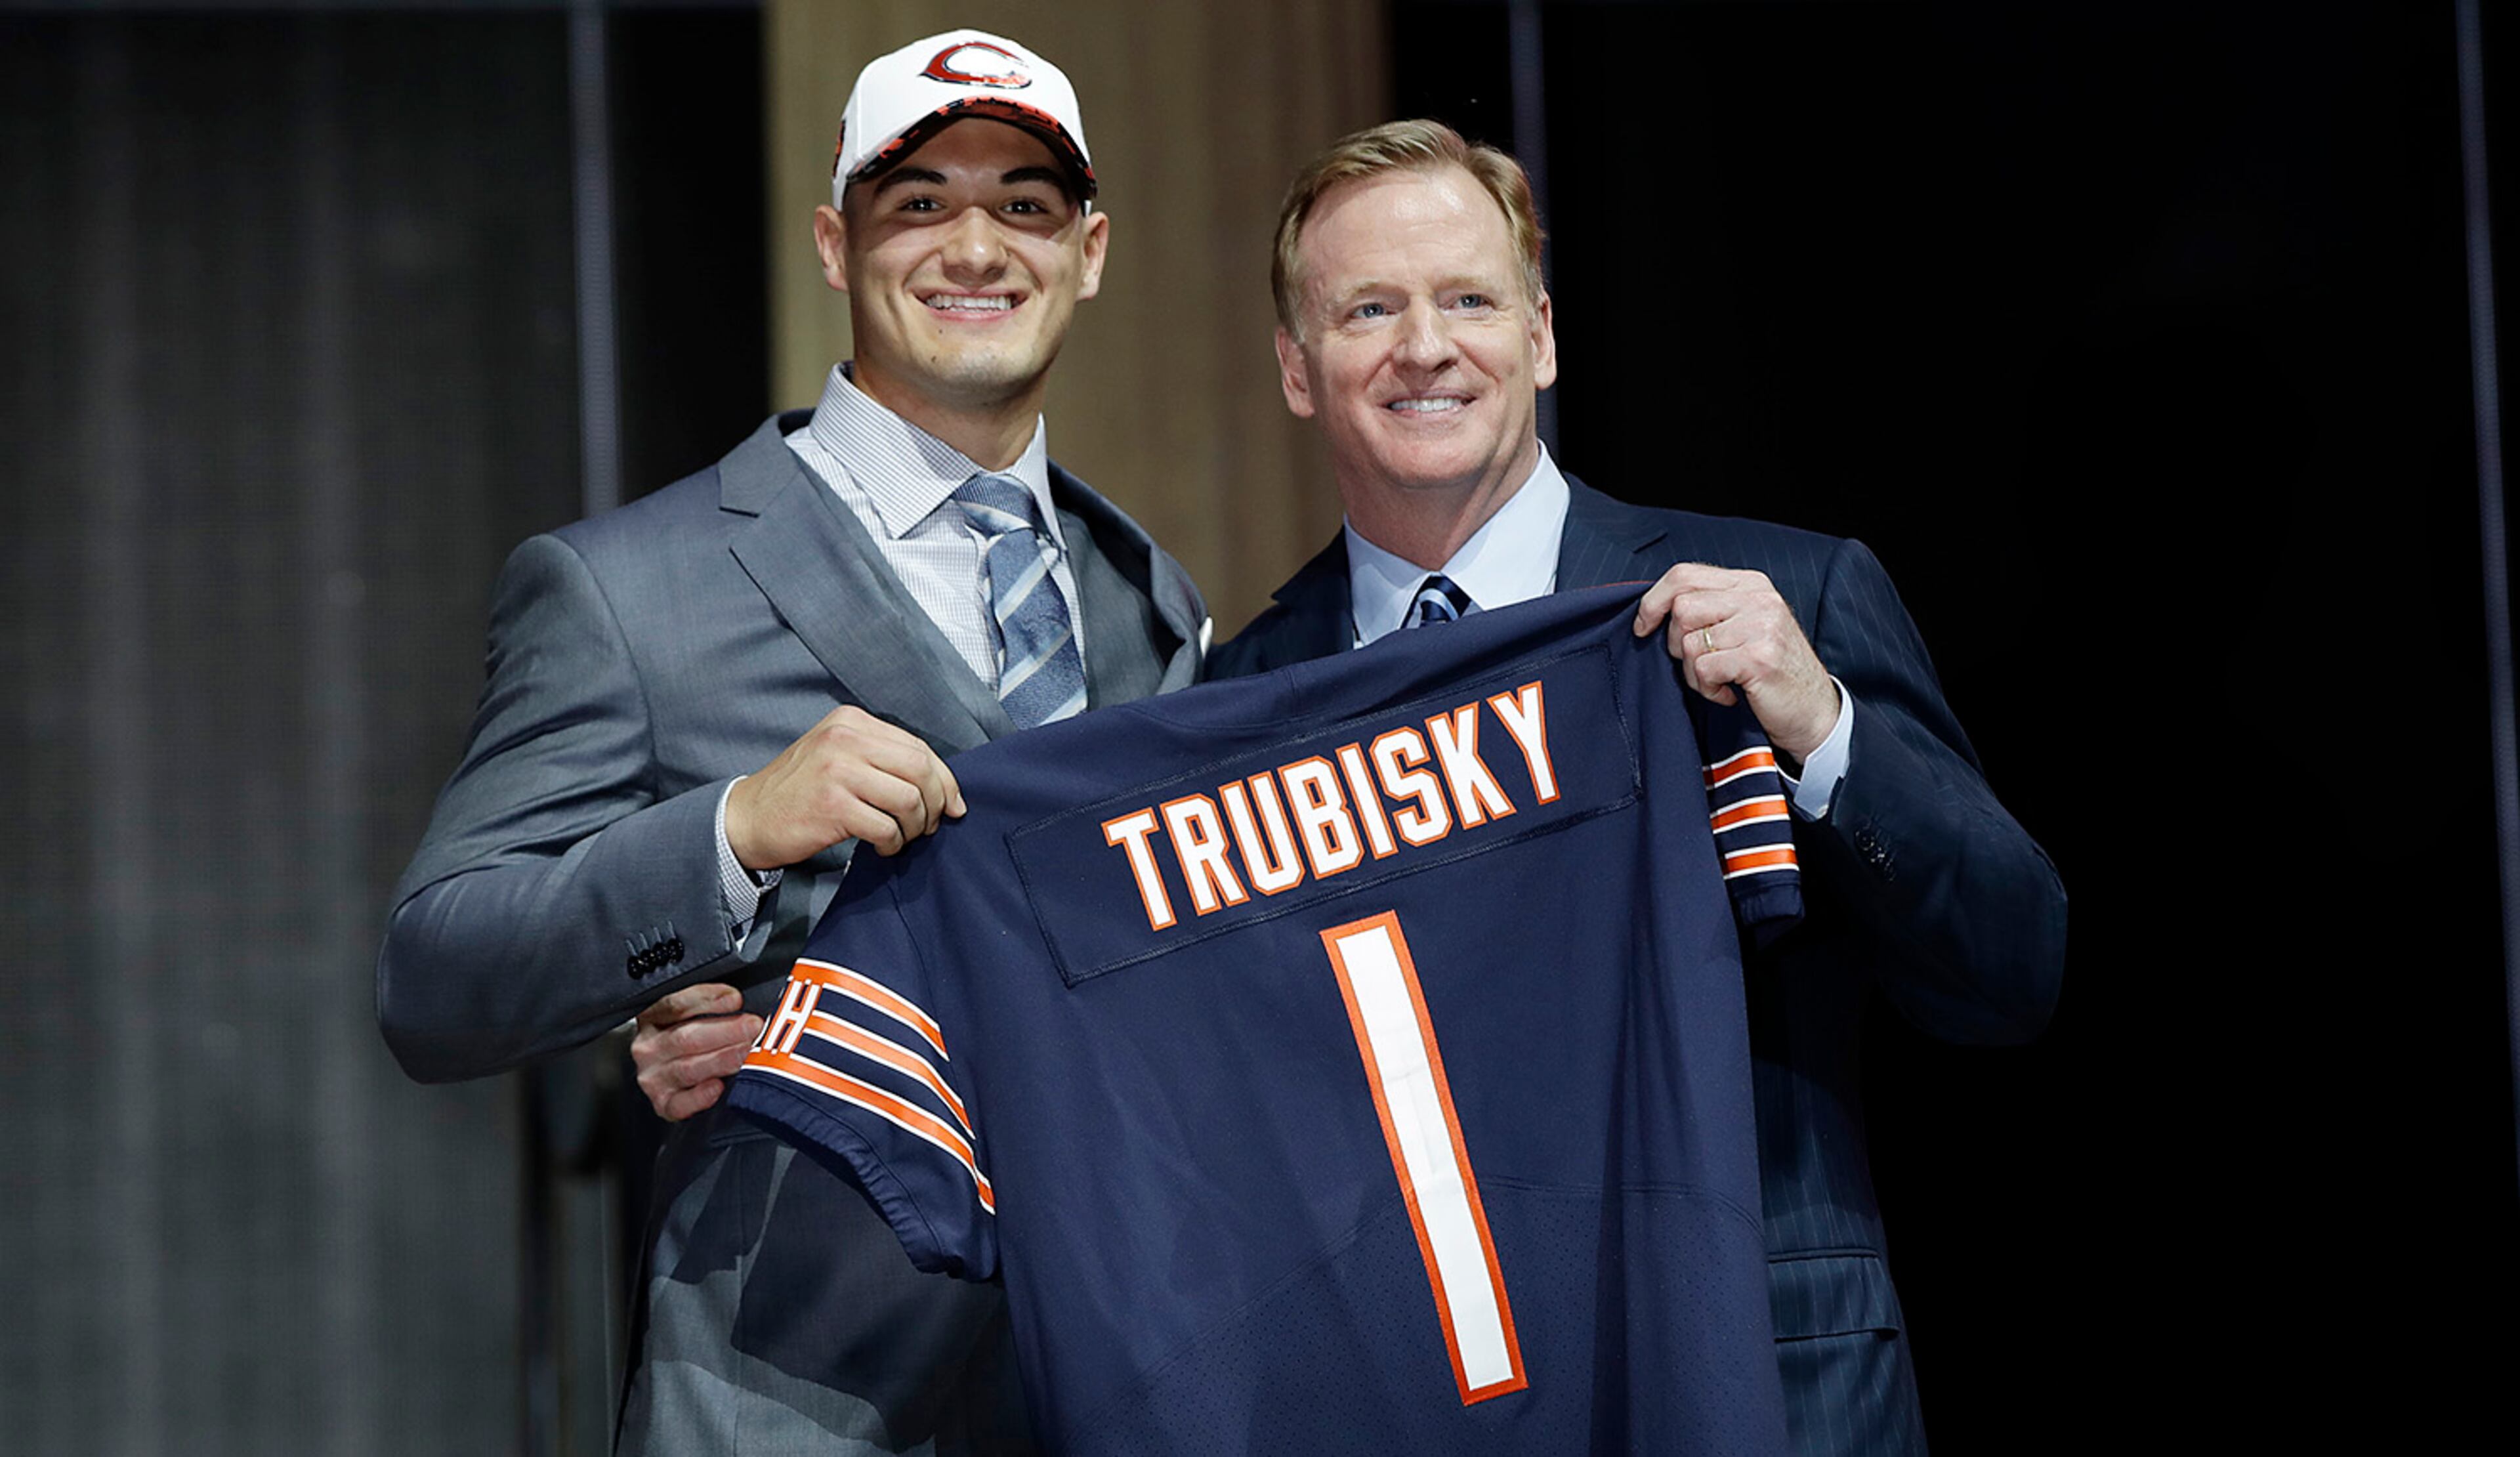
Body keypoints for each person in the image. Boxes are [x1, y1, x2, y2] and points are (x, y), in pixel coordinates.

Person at [377, 29, 1204, 1454]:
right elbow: (436, 973)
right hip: (794, 1398)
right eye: (919, 200)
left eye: (1024, 203)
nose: (976, 245)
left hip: (1106, 1383)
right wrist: (729, 838)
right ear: (835, 242)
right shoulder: (627, 587)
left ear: (1092, 251)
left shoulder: (1147, 597)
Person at [1199, 119, 2067, 1455]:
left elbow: (2015, 966)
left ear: (1540, 338)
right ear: (1297, 369)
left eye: (1468, 300)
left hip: (1764, 1389)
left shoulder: (1791, 597)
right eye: (1369, 308)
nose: (1424, 346)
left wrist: (1823, 727)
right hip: (1412, 1403)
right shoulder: (1231, 704)